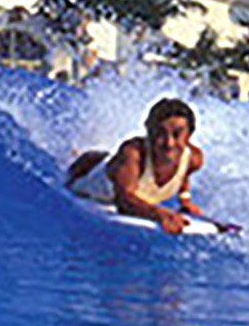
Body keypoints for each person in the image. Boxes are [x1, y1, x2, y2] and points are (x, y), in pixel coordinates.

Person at [66, 98, 204, 234]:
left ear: (189, 136)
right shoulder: (133, 153)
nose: (169, 143)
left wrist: (185, 201)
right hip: (86, 175)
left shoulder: (194, 159)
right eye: (160, 133)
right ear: (149, 132)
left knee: (115, 160)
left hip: (119, 166)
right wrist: (159, 214)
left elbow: (184, 174)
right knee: (96, 161)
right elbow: (123, 201)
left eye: (177, 134)